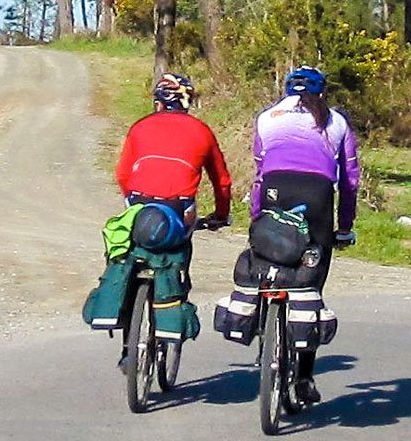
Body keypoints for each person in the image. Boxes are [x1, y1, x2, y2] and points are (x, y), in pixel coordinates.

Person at [237, 64, 360, 407]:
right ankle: (304, 377)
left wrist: (257, 219)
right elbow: (349, 179)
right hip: (318, 196)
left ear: (287, 91)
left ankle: (266, 328)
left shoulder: (267, 118)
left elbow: (260, 174)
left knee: (269, 258)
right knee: (309, 282)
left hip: (277, 189)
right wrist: (344, 227)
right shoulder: (336, 121)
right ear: (321, 93)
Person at [112, 70, 233, 229]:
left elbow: (122, 175)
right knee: (181, 243)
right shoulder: (202, 130)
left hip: (139, 201)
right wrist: (221, 215)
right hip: (180, 205)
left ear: (159, 103)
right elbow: (221, 181)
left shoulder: (139, 127)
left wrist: (131, 199)